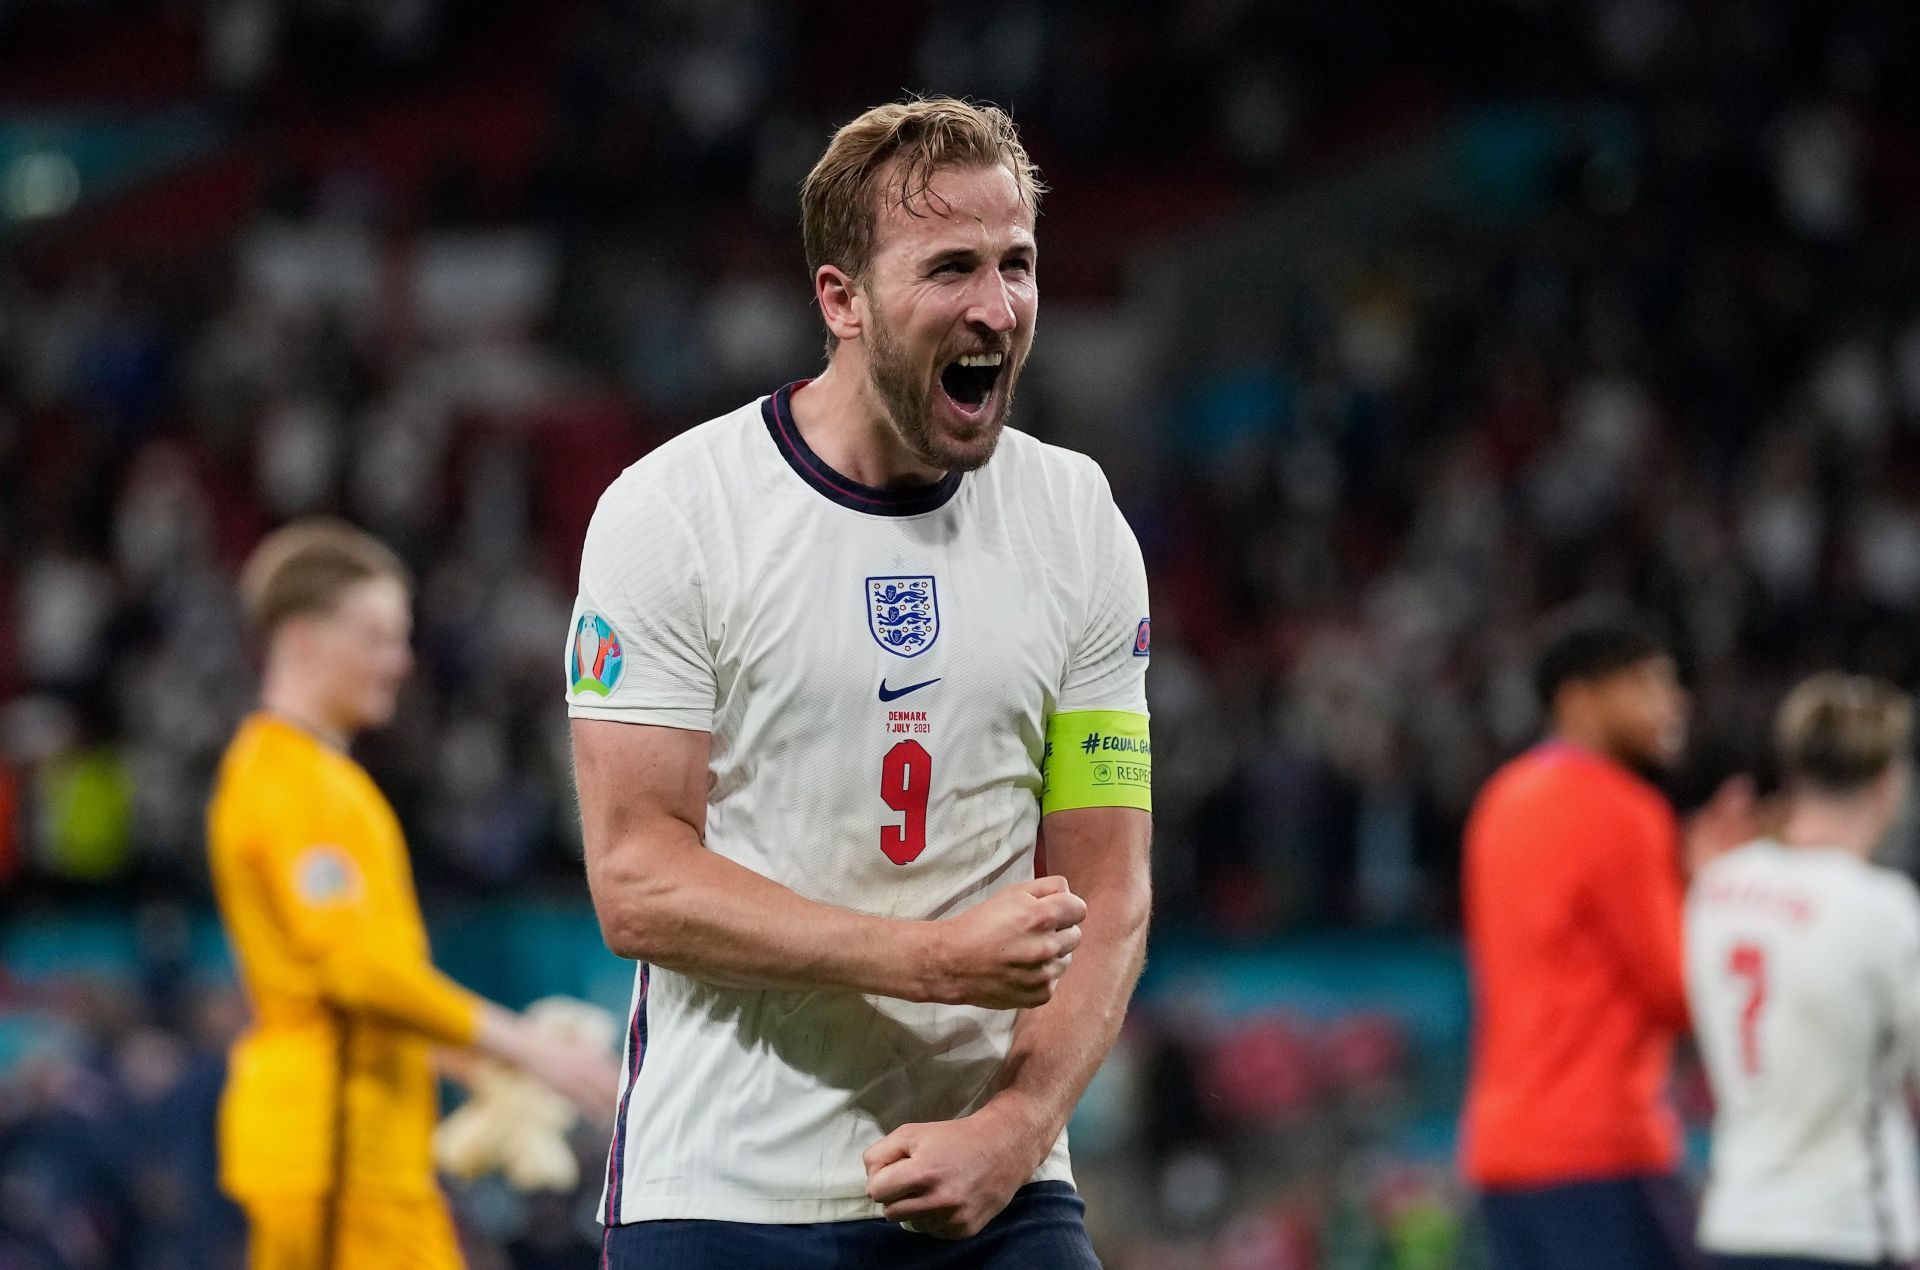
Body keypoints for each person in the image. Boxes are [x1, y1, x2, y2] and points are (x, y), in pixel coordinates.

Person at [566, 97, 1153, 1267]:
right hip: (729, 1194)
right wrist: (928, 959)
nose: (999, 307)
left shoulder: (1077, 518)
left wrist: (1016, 1127)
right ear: (842, 300)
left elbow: (1109, 882)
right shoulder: (674, 514)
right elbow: (638, 882)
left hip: (996, 1191)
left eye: (1017, 264)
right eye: (952, 269)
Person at [208, 518, 620, 1269]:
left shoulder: (319, 779)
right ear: (302, 640)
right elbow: (356, 973)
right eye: (376, 638)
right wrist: (521, 1046)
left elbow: (357, 988)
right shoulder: (293, 783)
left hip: (358, 1154)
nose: (399, 663)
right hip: (334, 1150)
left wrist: (471, 1063)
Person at [1461, 605, 1748, 1270]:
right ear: (1578, 698)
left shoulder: (1501, 799)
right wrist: (1714, 891)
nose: (1672, 704)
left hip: (1502, 1149)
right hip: (1599, 1147)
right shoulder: (1623, 810)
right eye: (1648, 685)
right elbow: (1677, 992)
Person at [1688, 673, 1920, 1270]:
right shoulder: (1882, 907)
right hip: (1845, 1228)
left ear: (1791, 773)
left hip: (1734, 1224)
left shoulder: (1716, 886)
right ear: (1889, 782)